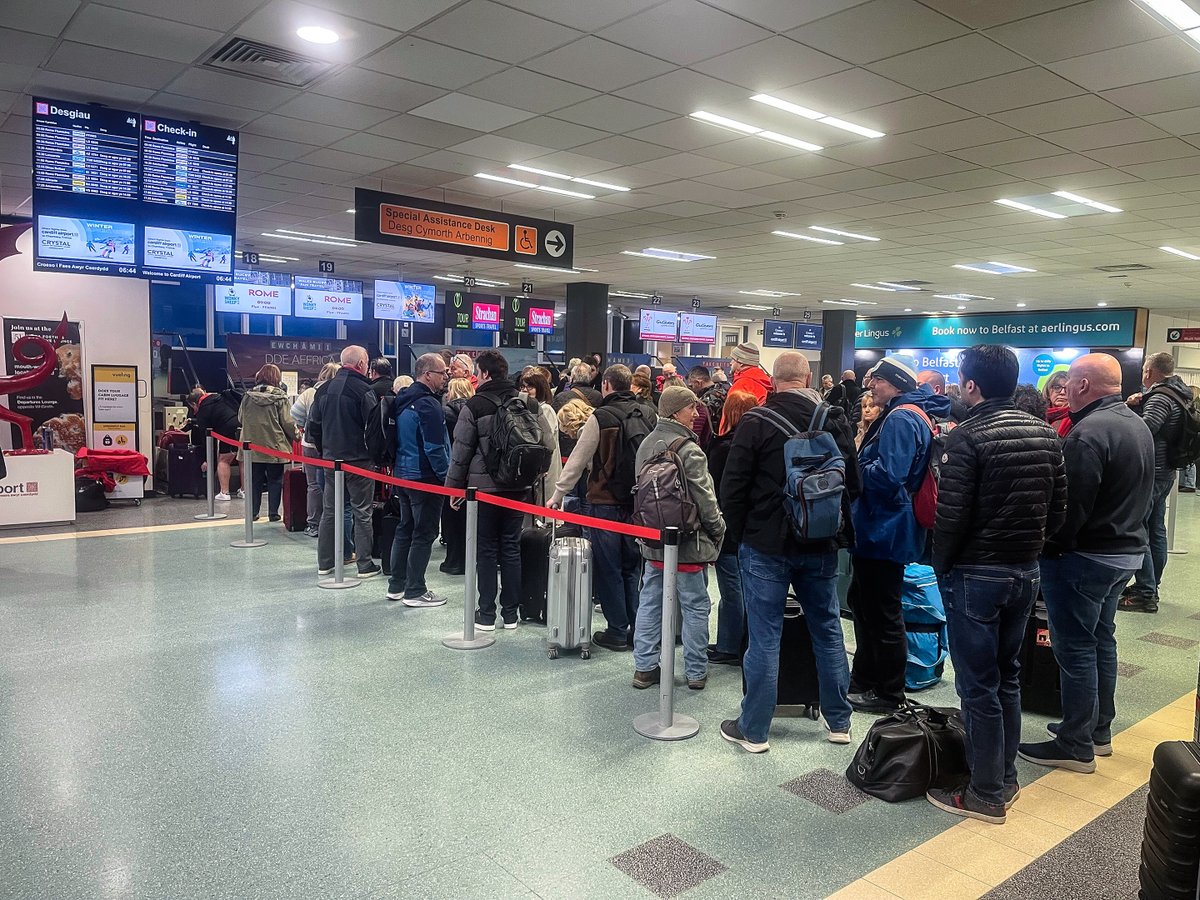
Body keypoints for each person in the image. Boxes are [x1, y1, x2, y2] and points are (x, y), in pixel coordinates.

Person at [926, 345, 1067, 825]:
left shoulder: (967, 438)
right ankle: (1004, 778)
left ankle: (985, 793)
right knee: (1007, 675)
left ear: (970, 385)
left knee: (977, 686)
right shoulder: (1048, 436)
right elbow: (1059, 511)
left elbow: (952, 516)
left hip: (976, 574)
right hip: (1025, 570)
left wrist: (941, 565)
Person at [1018, 354, 1154, 773]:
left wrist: (1046, 546)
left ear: (1081, 386)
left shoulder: (1087, 434)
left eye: (1071, 382)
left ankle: (1075, 744)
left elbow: (1069, 509)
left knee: (1075, 646)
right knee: (1100, 641)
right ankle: (1097, 730)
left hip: (1085, 557)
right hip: (1125, 552)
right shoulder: (1137, 423)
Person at [718, 351, 860, 752]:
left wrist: (745, 533)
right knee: (828, 629)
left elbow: (733, 489)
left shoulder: (755, 421)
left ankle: (755, 729)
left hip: (766, 544)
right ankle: (839, 722)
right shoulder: (834, 419)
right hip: (821, 543)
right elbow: (853, 485)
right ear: (809, 376)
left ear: (773, 380)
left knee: (764, 635)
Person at [848, 357, 949, 714]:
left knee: (882, 610)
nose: (870, 386)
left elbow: (890, 476)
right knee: (866, 603)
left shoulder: (902, 418)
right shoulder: (910, 413)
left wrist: (855, 464)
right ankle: (864, 678)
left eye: (876, 380)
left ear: (894, 383)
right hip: (885, 526)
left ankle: (888, 690)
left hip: (885, 528)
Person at [446, 350, 555, 630]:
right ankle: (510, 614)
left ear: (482, 373)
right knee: (510, 547)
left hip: (483, 491)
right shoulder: (529, 404)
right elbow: (548, 445)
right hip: (518, 488)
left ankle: (486, 614)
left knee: (485, 550)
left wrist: (454, 490)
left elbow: (461, 452)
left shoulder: (474, 405)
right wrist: (533, 473)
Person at [548, 364, 651, 650]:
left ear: (606, 385)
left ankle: (617, 630)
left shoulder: (601, 417)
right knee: (633, 567)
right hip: (637, 502)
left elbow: (578, 461)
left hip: (604, 502)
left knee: (609, 568)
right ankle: (636, 627)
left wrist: (557, 494)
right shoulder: (649, 413)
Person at [632, 386, 725, 691]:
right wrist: (718, 529)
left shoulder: (646, 444)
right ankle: (696, 671)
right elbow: (704, 498)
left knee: (649, 602)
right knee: (696, 606)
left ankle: (644, 668)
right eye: (691, 409)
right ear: (675, 412)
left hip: (653, 541)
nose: (696, 414)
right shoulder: (690, 449)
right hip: (688, 544)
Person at [1121, 351, 1191, 613]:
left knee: (1141, 530)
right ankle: (1151, 585)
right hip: (1166, 471)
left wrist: (1128, 409)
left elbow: (1145, 428)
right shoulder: (1180, 394)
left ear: (1149, 372)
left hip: (1152, 471)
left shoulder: (1160, 397)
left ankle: (1145, 591)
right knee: (1155, 530)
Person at [308, 345, 381, 579]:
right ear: (361, 364)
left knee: (330, 511)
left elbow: (313, 427)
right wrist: (376, 456)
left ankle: (325, 563)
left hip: (331, 460)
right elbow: (374, 430)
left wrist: (325, 451)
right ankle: (364, 564)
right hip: (359, 461)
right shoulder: (364, 390)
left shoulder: (323, 389)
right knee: (362, 512)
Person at [386, 353, 451, 607]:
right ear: (427, 374)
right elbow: (435, 447)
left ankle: (397, 585)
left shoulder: (403, 399)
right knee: (424, 533)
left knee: (405, 528)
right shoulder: (428, 405)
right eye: (441, 372)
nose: (445, 377)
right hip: (424, 477)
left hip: (402, 474)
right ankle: (415, 590)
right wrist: (447, 479)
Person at [705, 389, 759, 665]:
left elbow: (713, 487)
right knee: (744, 587)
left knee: (730, 587)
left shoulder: (722, 446)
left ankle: (728, 645)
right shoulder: (756, 444)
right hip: (752, 525)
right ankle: (737, 642)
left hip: (727, 524)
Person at [238, 364, 297, 522]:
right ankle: (273, 513)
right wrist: (297, 436)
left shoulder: (247, 396)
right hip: (274, 446)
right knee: (275, 480)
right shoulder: (281, 397)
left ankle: (253, 512)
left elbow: (240, 418)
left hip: (252, 446)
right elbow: (287, 423)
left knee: (254, 480)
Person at [292, 362, 339, 537]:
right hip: (331, 446)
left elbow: (294, 416)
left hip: (309, 445)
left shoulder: (309, 393)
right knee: (331, 485)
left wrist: (306, 426)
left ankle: (313, 524)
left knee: (313, 485)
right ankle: (331, 523)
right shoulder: (336, 393)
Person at [440, 377, 474, 575]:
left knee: (452, 518)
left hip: (453, 469)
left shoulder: (446, 413)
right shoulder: (475, 411)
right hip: (474, 472)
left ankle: (453, 561)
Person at [186, 386, 240, 501]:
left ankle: (224, 493)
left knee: (223, 460)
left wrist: (207, 460)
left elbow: (207, 439)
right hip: (240, 426)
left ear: (194, 404)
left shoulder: (203, 410)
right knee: (242, 458)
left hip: (227, 430)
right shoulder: (217, 397)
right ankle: (244, 490)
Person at [520, 369, 562, 503]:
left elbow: (545, 442)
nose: (526, 390)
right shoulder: (526, 409)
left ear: (540, 388)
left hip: (545, 469)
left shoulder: (545, 410)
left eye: (530, 387)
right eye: (523, 387)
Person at [722, 343, 771, 431]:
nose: (730, 363)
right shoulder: (766, 383)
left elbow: (729, 421)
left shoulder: (741, 386)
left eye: (733, 359)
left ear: (741, 363)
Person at [688, 366, 728, 434]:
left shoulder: (705, 402)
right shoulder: (724, 391)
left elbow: (700, 430)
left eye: (691, 386)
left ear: (698, 383)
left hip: (713, 441)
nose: (691, 389)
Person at [1043, 370, 1072, 437]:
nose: (1062, 392)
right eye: (1057, 387)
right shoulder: (1038, 414)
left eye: (1067, 388)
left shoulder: (1077, 418)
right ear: (1048, 391)